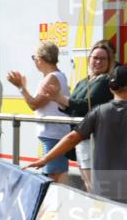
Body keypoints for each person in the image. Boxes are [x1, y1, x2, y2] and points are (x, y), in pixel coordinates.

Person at [27, 65, 127, 203]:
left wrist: (44, 159)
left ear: (110, 88)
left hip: (104, 183)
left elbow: (72, 138)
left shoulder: (99, 112)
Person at [51, 40, 116, 191]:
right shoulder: (83, 81)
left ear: (109, 61)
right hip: (81, 139)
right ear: (89, 59)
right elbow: (73, 107)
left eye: (102, 59)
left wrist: (60, 98)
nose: (98, 62)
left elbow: (86, 105)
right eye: (95, 58)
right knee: (88, 183)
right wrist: (58, 100)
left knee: (94, 185)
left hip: (93, 140)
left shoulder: (105, 80)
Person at [6, 41, 70, 182]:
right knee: (54, 174)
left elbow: (34, 104)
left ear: (40, 59)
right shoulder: (56, 76)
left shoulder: (52, 77)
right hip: (53, 133)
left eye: (34, 57)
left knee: (55, 176)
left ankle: (58, 202)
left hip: (53, 134)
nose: (34, 61)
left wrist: (21, 87)